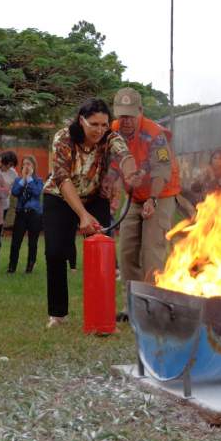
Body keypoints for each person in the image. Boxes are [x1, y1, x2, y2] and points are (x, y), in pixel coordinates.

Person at [42, 98, 138, 328]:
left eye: (104, 124)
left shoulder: (110, 137)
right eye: (94, 124)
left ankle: (101, 310)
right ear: (81, 120)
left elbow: (124, 155)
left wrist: (130, 173)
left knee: (102, 249)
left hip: (95, 197)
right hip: (60, 196)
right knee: (55, 252)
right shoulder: (63, 138)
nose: (99, 130)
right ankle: (58, 314)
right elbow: (62, 178)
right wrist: (82, 215)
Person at [111, 87, 181, 288]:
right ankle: (131, 304)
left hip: (161, 193)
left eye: (130, 115)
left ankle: (152, 302)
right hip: (135, 195)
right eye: (122, 116)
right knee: (127, 249)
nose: (125, 121)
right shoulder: (113, 131)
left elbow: (161, 170)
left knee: (151, 249)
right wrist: (113, 190)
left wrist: (153, 199)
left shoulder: (155, 134)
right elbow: (113, 165)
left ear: (140, 111)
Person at [8, 156, 44, 274]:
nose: (26, 166)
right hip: (21, 213)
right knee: (15, 242)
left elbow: (37, 192)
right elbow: (15, 192)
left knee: (32, 242)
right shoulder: (19, 180)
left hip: (34, 214)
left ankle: (30, 267)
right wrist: (24, 178)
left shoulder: (38, 180)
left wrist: (29, 178)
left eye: (29, 164)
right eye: (24, 164)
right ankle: (12, 267)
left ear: (33, 166)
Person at [0, 151, 18, 270]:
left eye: (11, 165)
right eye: (6, 164)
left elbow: (15, 189)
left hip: (3, 207)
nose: (8, 167)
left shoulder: (13, 173)